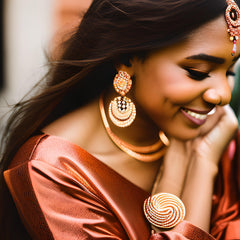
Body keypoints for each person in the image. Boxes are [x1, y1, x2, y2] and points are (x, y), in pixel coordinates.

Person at [1, 0, 240, 239]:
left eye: (230, 72)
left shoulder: (215, 134)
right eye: (198, 72)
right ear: (127, 59)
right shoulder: (52, 170)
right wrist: (199, 170)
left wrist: (202, 159)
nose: (222, 95)